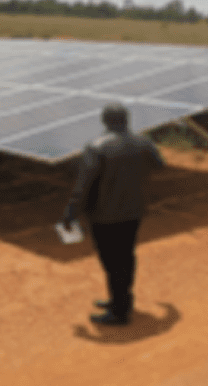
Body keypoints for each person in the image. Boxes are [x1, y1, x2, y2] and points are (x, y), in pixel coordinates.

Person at [62, 103, 165, 325]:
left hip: (104, 215)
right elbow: (159, 165)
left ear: (105, 121)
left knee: (111, 260)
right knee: (126, 256)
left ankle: (119, 311)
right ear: (127, 120)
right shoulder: (143, 142)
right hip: (134, 211)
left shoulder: (96, 147)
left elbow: (83, 185)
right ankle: (121, 299)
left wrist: (71, 212)